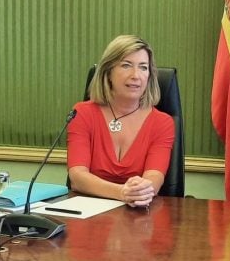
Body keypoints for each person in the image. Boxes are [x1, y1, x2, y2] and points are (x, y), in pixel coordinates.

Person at [67, 35, 175, 207]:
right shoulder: (83, 113)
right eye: (126, 65)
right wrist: (121, 193)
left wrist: (140, 191)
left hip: (140, 216)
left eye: (143, 67)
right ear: (108, 72)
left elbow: (154, 177)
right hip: (88, 215)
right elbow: (77, 177)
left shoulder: (162, 123)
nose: (136, 75)